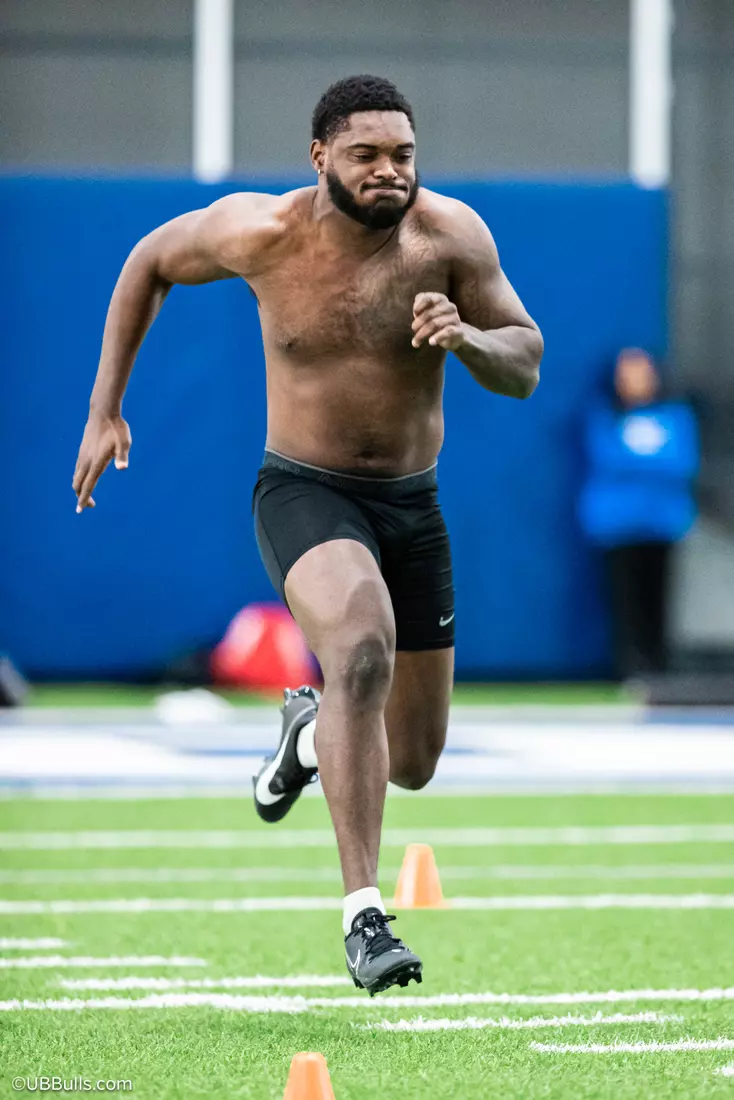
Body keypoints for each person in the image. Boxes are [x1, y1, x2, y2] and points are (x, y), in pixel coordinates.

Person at [72, 75, 543, 994]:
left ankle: (305, 736)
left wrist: (468, 340)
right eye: (366, 155)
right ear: (321, 155)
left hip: (413, 505)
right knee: (359, 650)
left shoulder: (453, 238)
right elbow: (147, 262)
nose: (388, 172)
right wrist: (105, 409)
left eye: (403, 154)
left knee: (412, 762)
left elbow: (524, 361)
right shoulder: (261, 233)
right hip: (304, 492)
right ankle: (364, 917)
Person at [578, 348, 699, 680]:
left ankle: (659, 670)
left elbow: (682, 462)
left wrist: (635, 463)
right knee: (624, 602)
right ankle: (629, 669)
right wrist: (651, 462)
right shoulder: (604, 417)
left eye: (641, 372)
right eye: (626, 374)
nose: (634, 381)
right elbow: (607, 459)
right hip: (618, 526)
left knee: (657, 599)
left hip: (662, 525)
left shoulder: (675, 416)